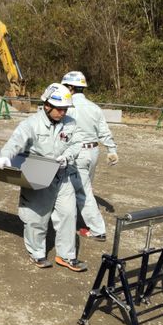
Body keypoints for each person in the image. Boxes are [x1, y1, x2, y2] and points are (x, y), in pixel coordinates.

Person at [0, 83, 87, 272]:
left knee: (68, 215)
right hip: (39, 176)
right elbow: (15, 142)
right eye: (59, 109)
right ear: (47, 105)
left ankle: (66, 256)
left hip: (63, 175)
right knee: (37, 217)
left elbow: (76, 144)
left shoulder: (70, 123)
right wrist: (5, 156)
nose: (63, 112)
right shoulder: (31, 124)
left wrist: (67, 157)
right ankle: (37, 253)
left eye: (65, 109)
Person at [61, 71, 118, 242]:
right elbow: (104, 131)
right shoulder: (94, 107)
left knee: (82, 190)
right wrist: (111, 150)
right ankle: (77, 215)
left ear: (70, 87)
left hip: (77, 153)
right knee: (84, 186)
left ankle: (97, 230)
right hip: (93, 151)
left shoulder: (68, 107)